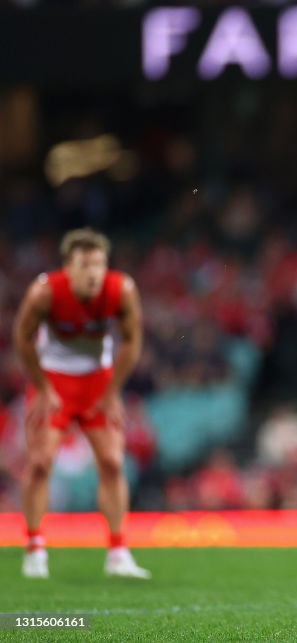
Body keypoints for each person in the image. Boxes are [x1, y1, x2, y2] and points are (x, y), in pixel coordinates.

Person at [13, 228, 150, 579]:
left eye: (99, 264)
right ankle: (35, 548)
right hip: (53, 379)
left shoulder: (121, 290)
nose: (93, 273)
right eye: (85, 264)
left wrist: (112, 390)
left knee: (113, 463)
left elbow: (132, 342)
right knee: (41, 462)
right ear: (67, 268)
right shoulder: (45, 292)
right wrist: (42, 388)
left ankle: (118, 552)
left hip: (97, 381)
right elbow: (22, 338)